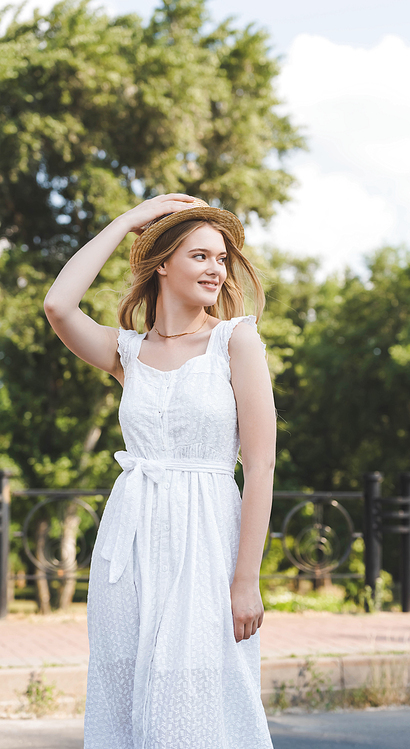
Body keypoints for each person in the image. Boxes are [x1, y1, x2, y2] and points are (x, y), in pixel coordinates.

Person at [43, 193, 276, 748]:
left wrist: (247, 579)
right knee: (122, 682)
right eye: (200, 256)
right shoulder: (127, 352)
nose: (216, 268)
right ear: (162, 264)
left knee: (196, 688)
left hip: (207, 541)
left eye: (221, 258)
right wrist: (126, 222)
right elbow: (58, 306)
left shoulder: (235, 340)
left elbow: (261, 464)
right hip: (131, 539)